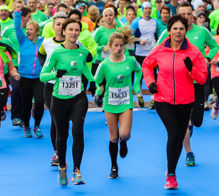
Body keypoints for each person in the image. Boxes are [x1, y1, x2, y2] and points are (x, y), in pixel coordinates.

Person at [143, 15, 207, 190]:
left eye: (182, 29)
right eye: (175, 28)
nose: (178, 32)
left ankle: (170, 169)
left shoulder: (193, 52)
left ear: (186, 31)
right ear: (169, 30)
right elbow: (147, 65)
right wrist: (151, 83)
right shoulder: (160, 49)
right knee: (173, 133)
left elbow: (202, 79)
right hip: (163, 98)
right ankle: (171, 174)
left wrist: (191, 69)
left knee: (179, 135)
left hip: (185, 100)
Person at [157, 1, 219, 167]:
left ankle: (191, 122)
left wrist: (207, 59)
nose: (186, 17)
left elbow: (214, 46)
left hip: (197, 80)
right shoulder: (169, 33)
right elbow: (156, 53)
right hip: (178, 84)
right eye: (182, 14)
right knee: (181, 124)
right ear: (177, 15)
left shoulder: (202, 31)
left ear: (193, 14)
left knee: (197, 120)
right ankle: (188, 152)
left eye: (188, 13)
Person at [40, 19, 97, 187]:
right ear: (63, 32)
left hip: (78, 97)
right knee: (62, 134)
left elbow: (85, 68)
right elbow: (43, 75)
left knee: (78, 131)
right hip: (59, 99)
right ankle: (63, 165)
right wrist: (55, 74)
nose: (74, 32)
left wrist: (92, 81)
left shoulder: (83, 51)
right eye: (70, 29)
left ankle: (77, 170)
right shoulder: (56, 52)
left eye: (77, 30)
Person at [93, 28, 142, 179]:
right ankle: (114, 166)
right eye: (116, 45)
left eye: (121, 45)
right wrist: (98, 90)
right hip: (110, 103)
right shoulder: (105, 64)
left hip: (126, 102)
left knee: (125, 135)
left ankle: (124, 142)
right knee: (113, 137)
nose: (119, 48)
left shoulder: (130, 61)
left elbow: (140, 70)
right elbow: (96, 80)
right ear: (110, 46)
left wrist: (137, 87)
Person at [38, 12, 68, 166]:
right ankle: (57, 153)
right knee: (55, 119)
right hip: (50, 86)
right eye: (58, 24)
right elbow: (41, 55)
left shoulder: (74, 43)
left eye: (64, 24)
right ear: (53, 26)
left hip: (69, 86)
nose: (61, 27)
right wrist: (47, 68)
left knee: (64, 120)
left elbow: (85, 58)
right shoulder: (47, 42)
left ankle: (61, 148)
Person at [14, 7, 45, 138]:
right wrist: (17, 13)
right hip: (24, 77)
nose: (28, 31)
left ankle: (36, 126)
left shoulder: (43, 42)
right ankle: (26, 126)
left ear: (37, 32)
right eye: (27, 29)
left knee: (39, 102)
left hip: (39, 78)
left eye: (31, 29)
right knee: (26, 103)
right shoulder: (23, 40)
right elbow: (17, 27)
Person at [130, 1, 157, 107]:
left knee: (153, 75)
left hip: (151, 53)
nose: (148, 10)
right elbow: (129, 37)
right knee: (139, 76)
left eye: (150, 8)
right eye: (146, 8)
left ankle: (153, 99)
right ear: (142, 9)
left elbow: (158, 36)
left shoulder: (155, 22)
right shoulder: (136, 22)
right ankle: (139, 95)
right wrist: (139, 41)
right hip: (139, 53)